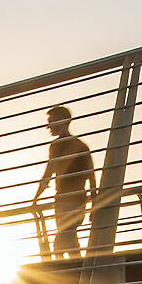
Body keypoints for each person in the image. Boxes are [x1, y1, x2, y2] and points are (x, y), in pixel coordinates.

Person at [33, 104, 96, 259]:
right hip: (78, 199)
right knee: (69, 238)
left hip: (65, 200)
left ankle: (61, 270)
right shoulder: (82, 146)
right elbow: (91, 177)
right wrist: (94, 203)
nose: (48, 126)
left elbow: (48, 173)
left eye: (51, 121)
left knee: (61, 240)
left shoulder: (56, 146)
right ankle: (77, 266)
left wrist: (35, 199)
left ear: (63, 121)